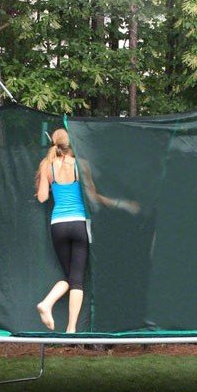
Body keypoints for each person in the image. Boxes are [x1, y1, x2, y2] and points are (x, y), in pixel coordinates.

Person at [35, 128, 139, 333]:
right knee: (77, 280)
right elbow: (94, 198)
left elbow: (42, 198)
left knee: (69, 277)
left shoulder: (47, 165)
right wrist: (123, 204)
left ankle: (47, 303)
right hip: (79, 224)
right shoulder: (81, 165)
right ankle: (71, 329)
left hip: (58, 226)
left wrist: (46, 180)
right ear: (71, 144)